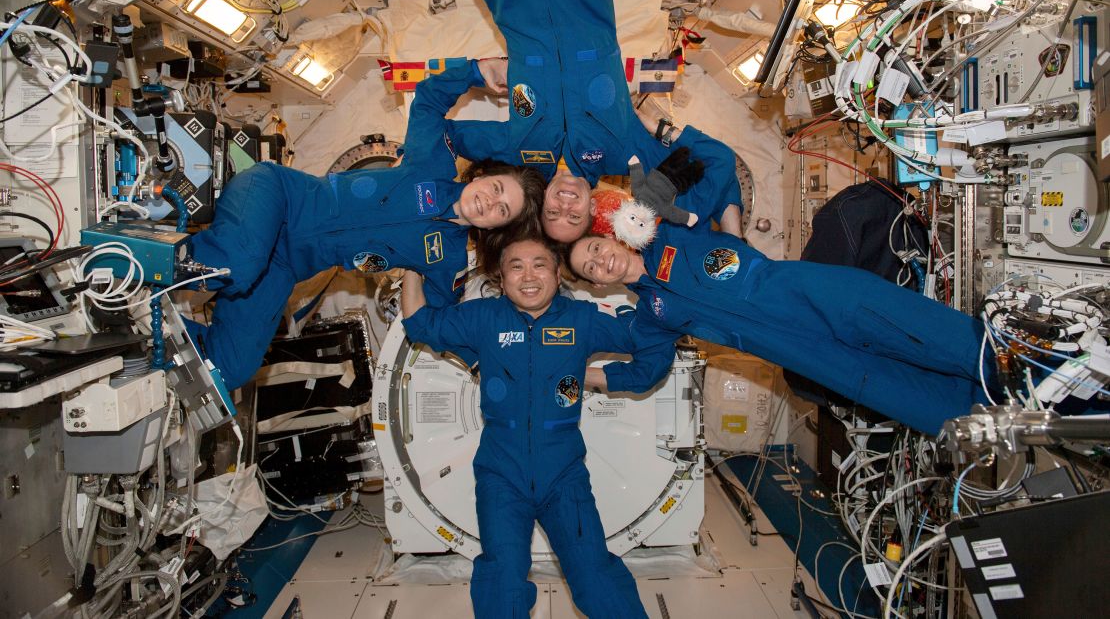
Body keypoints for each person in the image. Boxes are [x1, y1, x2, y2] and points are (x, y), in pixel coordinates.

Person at [416, 0, 743, 241]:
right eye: (573, 217)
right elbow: (719, 168)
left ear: (540, 204)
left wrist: (475, 72)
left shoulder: (515, 151)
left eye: (553, 213)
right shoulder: (628, 154)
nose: (565, 206)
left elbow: (436, 133)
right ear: (592, 208)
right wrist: (736, 242)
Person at [187, 65, 546, 390]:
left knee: (230, 369)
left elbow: (429, 324)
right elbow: (431, 97)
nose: (490, 202)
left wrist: (482, 355)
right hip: (281, 198)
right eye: (497, 189)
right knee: (238, 265)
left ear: (497, 227)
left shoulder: (447, 261)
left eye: (503, 210)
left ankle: (145, 332)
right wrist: (479, 70)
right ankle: (142, 264)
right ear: (484, 175)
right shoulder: (431, 163)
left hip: (281, 266)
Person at [401, 237, 671, 618]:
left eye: (539, 264)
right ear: (501, 276)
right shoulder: (482, 318)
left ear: (558, 274)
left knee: (596, 579)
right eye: (516, 266)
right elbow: (420, 324)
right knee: (501, 582)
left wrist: (596, 376)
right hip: (501, 474)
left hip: (563, 474)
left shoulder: (582, 320)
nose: (528, 276)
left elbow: (653, 347)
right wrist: (411, 265)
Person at [566, 223, 995, 434]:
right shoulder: (652, 314)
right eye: (591, 268)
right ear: (600, 285)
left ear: (613, 237)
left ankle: (1045, 370)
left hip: (831, 301)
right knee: (935, 408)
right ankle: (1032, 419)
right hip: (816, 357)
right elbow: (644, 374)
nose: (601, 262)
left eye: (597, 248)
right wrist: (572, 370)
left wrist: (733, 229)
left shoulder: (670, 228)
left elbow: (713, 167)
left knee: (962, 347)